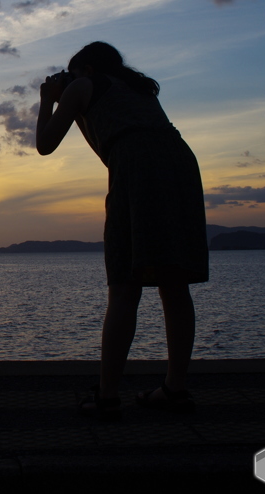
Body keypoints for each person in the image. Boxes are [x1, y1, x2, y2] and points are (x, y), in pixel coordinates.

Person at [37, 42, 208, 420]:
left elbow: (44, 145)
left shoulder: (84, 85)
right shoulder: (139, 89)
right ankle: (174, 389)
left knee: (124, 285)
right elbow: (108, 139)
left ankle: (108, 395)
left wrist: (48, 99)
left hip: (137, 167)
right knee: (174, 283)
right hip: (179, 164)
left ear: (84, 69)